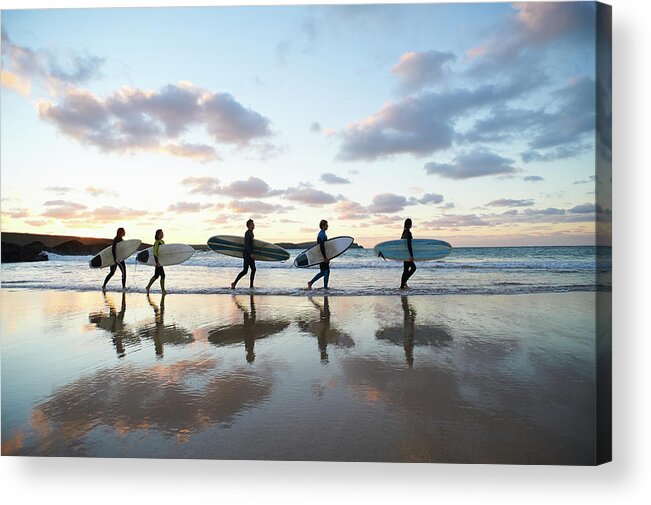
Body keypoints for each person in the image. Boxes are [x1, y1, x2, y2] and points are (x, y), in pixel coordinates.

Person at [231, 219, 256, 289]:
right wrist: (251, 254)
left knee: (253, 269)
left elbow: (251, 245)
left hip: (250, 254)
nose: (254, 225)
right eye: (252, 224)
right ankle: (234, 283)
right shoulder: (248, 233)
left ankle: (251, 286)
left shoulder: (251, 233)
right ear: (249, 225)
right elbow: (246, 245)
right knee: (245, 271)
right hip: (247, 254)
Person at [102, 227, 127, 292]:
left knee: (114, 272)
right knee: (121, 272)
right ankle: (123, 288)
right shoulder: (116, 239)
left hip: (120, 258)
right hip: (116, 259)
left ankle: (104, 285)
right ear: (121, 232)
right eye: (124, 231)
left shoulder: (121, 239)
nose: (125, 232)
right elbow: (113, 249)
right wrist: (115, 258)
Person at [307, 219, 330, 290]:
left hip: (321, 255)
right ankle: (325, 288)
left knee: (323, 272)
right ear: (323, 226)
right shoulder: (322, 234)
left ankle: (311, 282)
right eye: (326, 225)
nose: (328, 226)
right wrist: (325, 257)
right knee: (326, 271)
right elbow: (322, 247)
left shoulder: (322, 233)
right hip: (322, 255)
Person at [146, 229, 167, 294]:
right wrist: (156, 262)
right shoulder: (157, 242)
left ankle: (148, 287)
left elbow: (163, 251)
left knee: (156, 275)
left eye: (162, 233)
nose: (163, 234)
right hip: (157, 261)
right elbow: (155, 252)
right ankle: (163, 290)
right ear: (158, 235)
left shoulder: (162, 241)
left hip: (161, 261)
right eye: (161, 233)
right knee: (163, 275)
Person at [400, 218, 417, 290]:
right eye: (411, 223)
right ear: (409, 224)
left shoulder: (404, 232)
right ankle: (403, 284)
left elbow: (401, 243)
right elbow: (409, 244)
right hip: (407, 254)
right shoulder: (408, 233)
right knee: (413, 268)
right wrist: (411, 256)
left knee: (406, 270)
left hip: (404, 254)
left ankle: (402, 285)